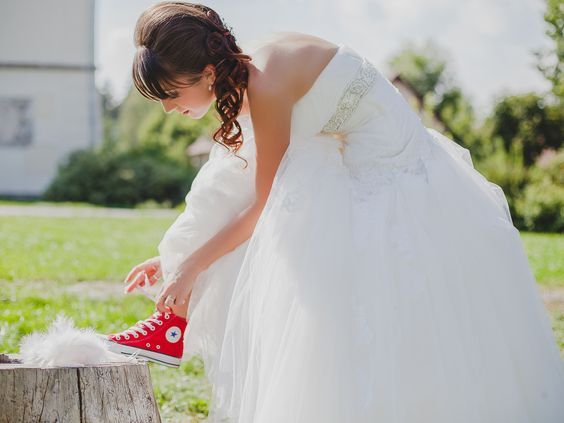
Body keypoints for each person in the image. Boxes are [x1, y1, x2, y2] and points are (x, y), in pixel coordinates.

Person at [104, 2, 564, 422]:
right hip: (355, 167)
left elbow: (260, 206)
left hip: (395, 184)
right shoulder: (255, 71)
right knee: (236, 183)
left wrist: (192, 264)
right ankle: (172, 321)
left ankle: (175, 323)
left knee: (345, 303)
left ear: (206, 72)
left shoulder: (265, 83)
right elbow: (241, 183)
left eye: (169, 93)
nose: (167, 109)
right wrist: (176, 260)